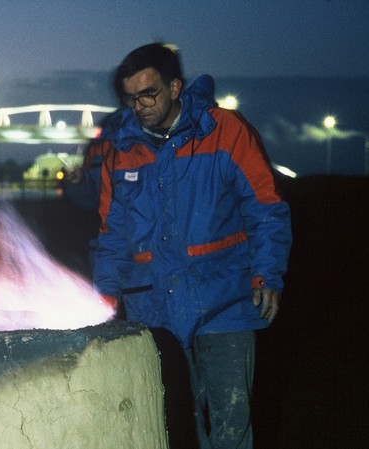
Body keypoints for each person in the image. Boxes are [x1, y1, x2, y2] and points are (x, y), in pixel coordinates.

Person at [92, 43, 292, 449]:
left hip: (225, 302)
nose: (139, 105)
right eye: (130, 98)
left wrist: (267, 273)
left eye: (148, 93)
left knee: (230, 423)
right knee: (176, 425)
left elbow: (266, 207)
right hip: (155, 310)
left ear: (175, 87)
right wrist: (104, 298)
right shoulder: (121, 150)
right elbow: (111, 232)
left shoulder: (226, 131)